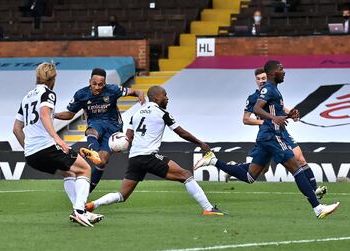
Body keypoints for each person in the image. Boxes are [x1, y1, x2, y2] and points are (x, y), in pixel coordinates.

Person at [195, 61, 340, 219]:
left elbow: (275, 114)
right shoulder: (268, 89)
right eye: (281, 69)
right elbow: (257, 109)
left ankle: (213, 161)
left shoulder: (274, 90)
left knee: (251, 177)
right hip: (272, 136)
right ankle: (318, 208)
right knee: (297, 168)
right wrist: (273, 118)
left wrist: (288, 115)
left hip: (267, 137)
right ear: (272, 73)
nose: (284, 71)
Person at [85, 86, 225, 216]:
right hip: (149, 156)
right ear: (157, 98)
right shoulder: (162, 113)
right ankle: (208, 208)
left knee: (122, 195)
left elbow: (128, 139)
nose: (167, 98)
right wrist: (200, 143)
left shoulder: (136, 114)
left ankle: (93, 204)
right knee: (186, 175)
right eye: (165, 95)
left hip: (134, 158)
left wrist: (117, 146)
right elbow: (181, 133)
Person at [13, 62, 102, 227]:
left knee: (70, 173)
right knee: (85, 169)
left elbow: (16, 128)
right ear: (53, 78)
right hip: (46, 148)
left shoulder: (26, 97)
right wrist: (57, 138)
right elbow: (45, 114)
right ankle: (80, 212)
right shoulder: (48, 94)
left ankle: (80, 210)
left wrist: (28, 148)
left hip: (31, 155)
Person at [54, 68, 145, 193]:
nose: (97, 87)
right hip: (96, 123)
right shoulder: (81, 94)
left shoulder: (113, 90)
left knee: (102, 162)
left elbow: (135, 91)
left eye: (100, 84)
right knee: (92, 131)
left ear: (105, 83)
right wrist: (53, 114)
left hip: (113, 127)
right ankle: (93, 152)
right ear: (89, 81)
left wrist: (140, 95)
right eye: (94, 84)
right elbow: (69, 115)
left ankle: (87, 190)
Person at [242, 68, 327, 198]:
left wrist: (291, 114)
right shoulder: (253, 98)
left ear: (268, 78)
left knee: (300, 158)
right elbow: (246, 119)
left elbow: (281, 108)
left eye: (263, 78)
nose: (261, 81)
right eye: (258, 79)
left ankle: (314, 190)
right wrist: (264, 122)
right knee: (263, 169)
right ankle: (234, 169)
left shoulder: (272, 91)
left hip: (282, 132)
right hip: (268, 136)